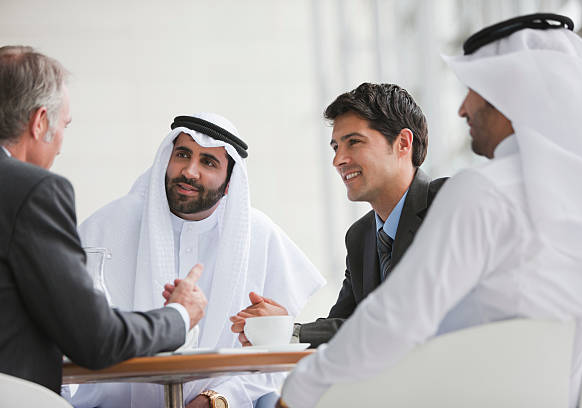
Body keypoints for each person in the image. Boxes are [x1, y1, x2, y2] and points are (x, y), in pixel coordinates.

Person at [277, 13, 582, 408]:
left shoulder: (483, 191)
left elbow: (396, 319)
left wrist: (297, 393)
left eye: (475, 90)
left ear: (513, 95)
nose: (462, 109)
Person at [66, 112, 325, 408]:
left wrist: (217, 399)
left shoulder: (261, 237)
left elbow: (272, 363)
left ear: (229, 183)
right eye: (182, 155)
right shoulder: (107, 226)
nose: (189, 171)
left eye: (208, 162)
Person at [0, 46, 207, 395]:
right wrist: (179, 316)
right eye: (63, 125)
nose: (61, 144)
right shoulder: (33, 191)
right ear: (39, 122)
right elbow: (94, 338)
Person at [230, 83, 447, 348]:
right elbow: (342, 328)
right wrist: (279, 331)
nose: (338, 160)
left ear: (403, 143)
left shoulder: (447, 203)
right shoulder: (360, 237)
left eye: (354, 142)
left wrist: (292, 330)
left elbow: (407, 316)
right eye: (335, 147)